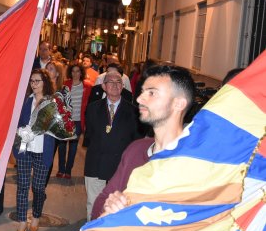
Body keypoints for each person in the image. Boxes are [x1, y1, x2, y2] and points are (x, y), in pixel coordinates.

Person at [92, 65, 195, 220]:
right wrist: (109, 207)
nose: (140, 99)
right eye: (143, 91)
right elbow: (102, 199)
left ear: (178, 103)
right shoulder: (136, 149)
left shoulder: (193, 161)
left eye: (152, 93)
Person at [83, 71, 140, 221]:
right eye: (111, 82)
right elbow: (89, 135)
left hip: (120, 166)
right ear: (103, 86)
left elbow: (136, 140)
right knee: (94, 203)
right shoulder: (93, 108)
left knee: (117, 206)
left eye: (118, 82)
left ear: (123, 86)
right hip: (96, 162)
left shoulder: (134, 111)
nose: (115, 85)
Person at [13, 69, 60, 231]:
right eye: (32, 81)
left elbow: (57, 127)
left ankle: (37, 215)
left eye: (37, 81)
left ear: (44, 83)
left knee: (38, 187)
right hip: (25, 150)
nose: (34, 84)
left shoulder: (52, 103)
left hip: (42, 150)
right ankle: (21, 221)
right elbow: (18, 123)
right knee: (22, 187)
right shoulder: (27, 101)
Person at [58, 63, 92, 179]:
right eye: (73, 71)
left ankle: (68, 171)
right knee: (62, 146)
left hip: (78, 121)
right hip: (65, 120)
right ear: (70, 73)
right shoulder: (66, 85)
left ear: (81, 73)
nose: (75, 74)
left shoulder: (87, 86)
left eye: (78, 71)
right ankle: (61, 169)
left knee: (73, 147)